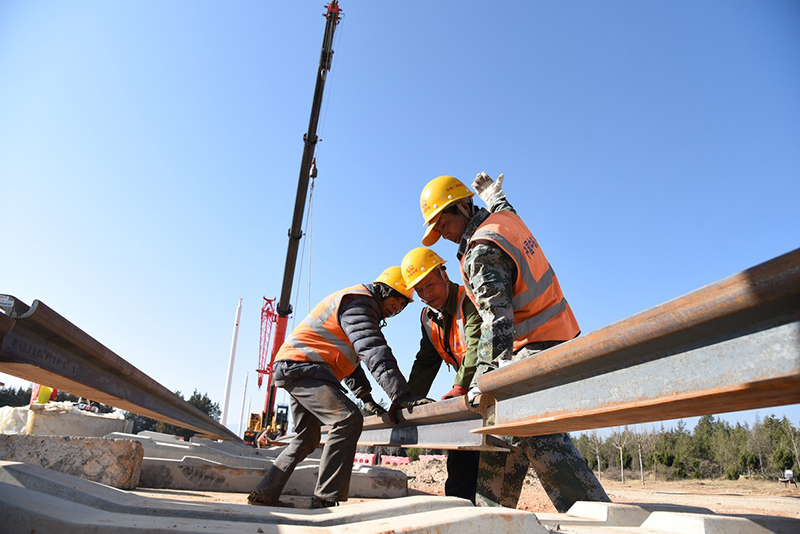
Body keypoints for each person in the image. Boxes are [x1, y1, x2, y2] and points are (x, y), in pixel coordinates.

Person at [418, 173, 609, 512]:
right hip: (560, 333)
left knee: (533, 430)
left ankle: (596, 513)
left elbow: (497, 320)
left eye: (445, 223)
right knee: (501, 434)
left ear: (462, 206)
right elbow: (504, 208)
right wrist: (495, 194)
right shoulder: (504, 220)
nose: (444, 234)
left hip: (535, 346)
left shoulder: (480, 251)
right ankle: (492, 516)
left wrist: (486, 379)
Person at [247, 266, 434, 508]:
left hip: (299, 367)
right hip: (302, 367)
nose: (396, 310)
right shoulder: (360, 303)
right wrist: (402, 395)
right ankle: (326, 499)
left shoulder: (356, 305)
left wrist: (366, 397)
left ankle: (264, 493)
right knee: (347, 419)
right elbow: (372, 349)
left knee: (306, 438)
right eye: (397, 302)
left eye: (401, 308)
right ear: (384, 290)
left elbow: (349, 359)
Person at [399, 246, 481, 502]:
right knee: (461, 447)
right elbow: (425, 362)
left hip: (489, 380)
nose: (426, 295)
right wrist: (406, 398)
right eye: (419, 290)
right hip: (468, 389)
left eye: (429, 285)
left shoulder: (468, 298)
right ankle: (459, 507)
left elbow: (477, 346)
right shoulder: (427, 318)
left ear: (443, 274)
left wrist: (460, 387)